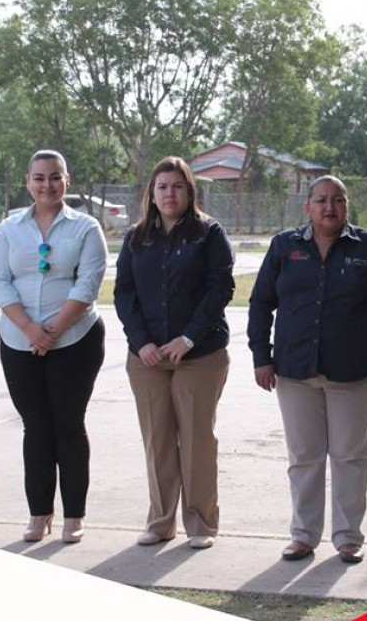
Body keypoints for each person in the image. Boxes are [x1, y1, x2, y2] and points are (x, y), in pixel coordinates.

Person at [247, 175, 367, 564]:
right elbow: (261, 303)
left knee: (350, 456)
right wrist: (261, 357)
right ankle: (303, 535)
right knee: (304, 457)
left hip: (354, 372)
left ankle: (348, 536)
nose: (329, 207)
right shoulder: (285, 247)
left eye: (337, 200)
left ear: (347, 206)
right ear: (308, 207)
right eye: (321, 200)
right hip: (295, 370)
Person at [114, 157, 234, 550]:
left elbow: (220, 289)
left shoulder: (209, 233)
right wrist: (141, 342)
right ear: (151, 192)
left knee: (197, 440)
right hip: (148, 357)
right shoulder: (136, 237)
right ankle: (160, 521)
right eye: (162, 187)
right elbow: (124, 293)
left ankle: (201, 524)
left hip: (199, 354)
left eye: (177, 187)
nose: (169, 194)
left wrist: (188, 338)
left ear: (189, 191)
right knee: (158, 439)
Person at [0, 150, 107, 544]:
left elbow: (88, 283)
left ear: (67, 181)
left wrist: (52, 330)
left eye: (55, 177)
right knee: (36, 428)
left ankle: (74, 515)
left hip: (75, 339)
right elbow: (0, 282)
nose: (47, 185)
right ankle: (39, 514)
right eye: (39, 178)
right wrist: (29, 329)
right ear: (28, 182)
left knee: (68, 425)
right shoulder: (9, 229)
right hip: (19, 341)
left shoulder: (86, 228)